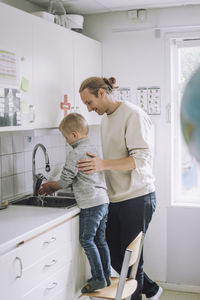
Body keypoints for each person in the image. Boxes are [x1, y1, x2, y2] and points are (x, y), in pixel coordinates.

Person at [77, 77, 163, 300]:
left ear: (102, 94)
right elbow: (116, 157)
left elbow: (141, 159)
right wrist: (100, 165)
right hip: (116, 199)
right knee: (115, 255)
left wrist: (103, 164)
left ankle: (144, 293)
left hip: (138, 196)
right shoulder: (105, 120)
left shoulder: (133, 115)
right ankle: (152, 290)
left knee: (132, 263)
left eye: (89, 102)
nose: (89, 108)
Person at [39, 112, 111, 293]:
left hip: (90, 203)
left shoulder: (75, 153)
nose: (65, 141)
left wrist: (50, 186)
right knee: (100, 240)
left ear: (74, 135)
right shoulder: (93, 148)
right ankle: (107, 275)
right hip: (103, 200)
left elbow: (64, 181)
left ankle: (98, 279)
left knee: (86, 240)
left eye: (65, 137)